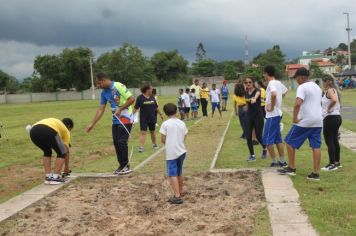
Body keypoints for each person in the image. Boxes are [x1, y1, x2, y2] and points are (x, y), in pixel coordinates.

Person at [86, 72, 135, 175]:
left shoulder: (118, 86)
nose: (99, 86)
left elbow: (132, 99)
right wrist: (92, 124)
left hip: (126, 118)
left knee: (122, 141)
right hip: (115, 120)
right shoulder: (104, 93)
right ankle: (121, 165)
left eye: (99, 83)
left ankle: (126, 166)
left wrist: (121, 109)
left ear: (104, 80)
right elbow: (101, 109)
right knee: (116, 142)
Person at [278, 68, 323, 180]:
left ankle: (292, 168)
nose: (296, 80)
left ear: (302, 77)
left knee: (289, 142)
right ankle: (315, 173)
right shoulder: (317, 87)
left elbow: (298, 103)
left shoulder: (302, 87)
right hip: (318, 120)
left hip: (305, 121)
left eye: (296, 78)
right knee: (316, 146)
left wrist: (294, 117)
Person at [29, 118, 73, 185]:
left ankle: (48, 177)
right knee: (62, 152)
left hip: (33, 131)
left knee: (47, 151)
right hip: (48, 130)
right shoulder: (66, 130)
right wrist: (66, 168)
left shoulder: (56, 123)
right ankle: (55, 177)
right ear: (69, 126)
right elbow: (66, 151)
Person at [160, 103, 188, 205]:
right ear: (176, 111)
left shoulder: (165, 124)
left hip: (172, 153)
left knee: (172, 174)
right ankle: (180, 191)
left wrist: (169, 143)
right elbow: (185, 136)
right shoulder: (182, 123)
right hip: (182, 151)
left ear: (166, 112)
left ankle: (177, 196)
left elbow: (163, 139)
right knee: (179, 172)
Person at [262, 65, 288, 167]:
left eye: (264, 73)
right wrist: (279, 102)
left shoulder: (271, 83)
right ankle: (282, 161)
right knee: (277, 139)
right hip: (278, 114)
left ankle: (274, 161)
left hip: (272, 115)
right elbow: (285, 91)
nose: (263, 75)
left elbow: (273, 94)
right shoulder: (278, 82)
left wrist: (272, 106)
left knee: (267, 139)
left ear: (267, 73)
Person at [321, 74, 342, 171]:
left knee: (329, 141)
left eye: (323, 82)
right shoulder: (335, 90)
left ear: (326, 82)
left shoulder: (329, 90)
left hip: (330, 118)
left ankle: (331, 164)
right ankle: (337, 162)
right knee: (334, 140)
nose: (322, 84)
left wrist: (329, 109)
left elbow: (333, 100)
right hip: (337, 117)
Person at [134, 84, 163, 153]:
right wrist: (131, 116)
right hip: (144, 119)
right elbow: (135, 108)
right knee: (143, 132)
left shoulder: (152, 97)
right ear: (147, 90)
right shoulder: (140, 98)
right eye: (151, 89)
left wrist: (160, 114)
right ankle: (141, 147)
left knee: (152, 131)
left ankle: (154, 144)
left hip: (152, 118)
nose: (152, 90)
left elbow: (156, 107)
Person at [244, 77, 267, 162]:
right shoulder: (246, 92)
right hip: (249, 116)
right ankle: (252, 156)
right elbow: (247, 102)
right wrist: (246, 108)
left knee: (258, 136)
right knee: (248, 136)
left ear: (253, 83)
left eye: (250, 82)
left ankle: (265, 148)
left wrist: (254, 98)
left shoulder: (258, 90)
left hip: (258, 116)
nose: (248, 84)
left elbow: (257, 95)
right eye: (246, 82)